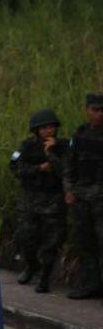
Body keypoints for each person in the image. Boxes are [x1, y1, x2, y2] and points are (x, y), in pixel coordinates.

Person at [9, 109, 67, 294]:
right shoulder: (26, 146)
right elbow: (16, 168)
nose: (48, 131)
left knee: (51, 242)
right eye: (43, 128)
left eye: (51, 127)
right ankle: (31, 266)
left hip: (53, 201)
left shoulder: (64, 146)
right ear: (36, 130)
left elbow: (66, 171)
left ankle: (44, 278)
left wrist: (50, 153)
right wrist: (39, 168)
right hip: (30, 199)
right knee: (26, 238)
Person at [64, 92, 103, 300]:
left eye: (102, 110)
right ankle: (90, 284)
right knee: (85, 243)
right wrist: (69, 189)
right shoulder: (79, 135)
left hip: (100, 199)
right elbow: (69, 165)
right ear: (87, 110)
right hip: (82, 197)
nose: (99, 115)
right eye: (95, 110)